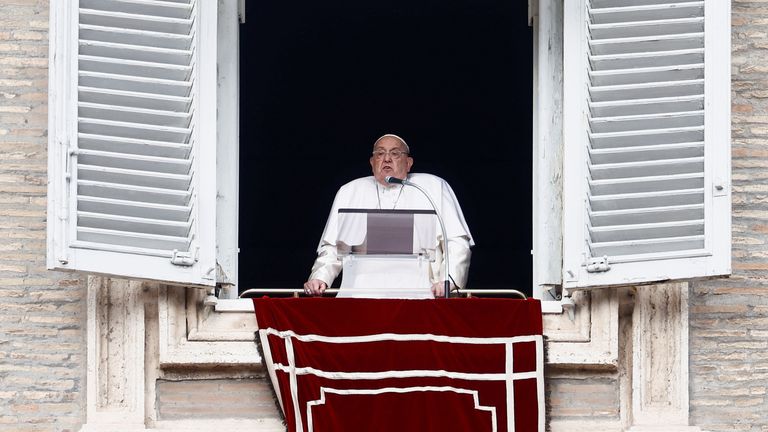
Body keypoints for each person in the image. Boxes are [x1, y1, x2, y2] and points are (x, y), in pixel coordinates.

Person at [303, 134, 474, 297]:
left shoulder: (432, 186)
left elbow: (456, 241)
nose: (386, 159)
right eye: (380, 153)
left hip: (422, 292)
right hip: (360, 292)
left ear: (408, 163)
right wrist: (320, 278)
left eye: (395, 154)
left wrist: (448, 280)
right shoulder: (350, 191)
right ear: (372, 162)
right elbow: (332, 246)